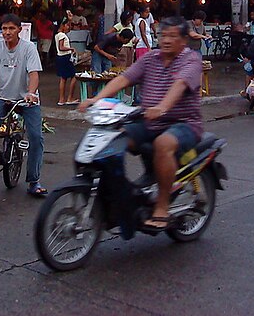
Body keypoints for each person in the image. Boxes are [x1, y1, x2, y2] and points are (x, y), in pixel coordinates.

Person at [79, 16, 203, 231]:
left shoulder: (190, 59)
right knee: (110, 140)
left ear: (183, 40)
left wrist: (163, 107)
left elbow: (180, 84)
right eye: (163, 35)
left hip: (183, 124)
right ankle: (118, 198)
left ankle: (162, 207)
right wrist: (95, 99)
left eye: (172, 36)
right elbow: (124, 79)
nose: (166, 40)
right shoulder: (151, 58)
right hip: (148, 121)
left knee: (163, 144)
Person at [0, 14, 48, 197]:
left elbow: (34, 74)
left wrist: (31, 93)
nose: (7, 32)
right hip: (3, 98)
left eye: (11, 28)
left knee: (36, 137)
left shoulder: (28, 48)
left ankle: (33, 181)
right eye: (4, 29)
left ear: (20, 30)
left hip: (27, 100)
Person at [54, 19, 79, 106]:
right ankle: (69, 97)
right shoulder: (62, 35)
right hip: (65, 57)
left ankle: (62, 99)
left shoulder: (57, 35)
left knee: (63, 78)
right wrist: (71, 49)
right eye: (67, 25)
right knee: (74, 76)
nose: (68, 27)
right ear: (63, 26)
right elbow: (61, 47)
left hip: (60, 57)